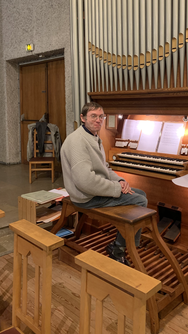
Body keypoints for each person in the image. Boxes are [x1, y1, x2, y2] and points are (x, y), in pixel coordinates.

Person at [60, 102, 148, 264]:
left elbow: (105, 169)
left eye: (101, 116)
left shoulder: (94, 137)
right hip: (85, 197)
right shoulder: (78, 141)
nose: (98, 120)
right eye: (94, 116)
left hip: (91, 191)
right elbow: (85, 182)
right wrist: (116, 188)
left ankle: (123, 241)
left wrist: (120, 181)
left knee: (140, 193)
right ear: (83, 118)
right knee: (140, 200)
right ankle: (118, 248)